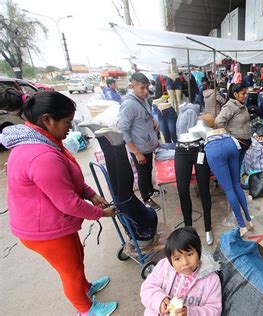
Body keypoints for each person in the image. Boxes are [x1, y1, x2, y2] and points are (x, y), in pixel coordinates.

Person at [0, 91, 118, 315]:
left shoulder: (44, 138)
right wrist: (102, 213)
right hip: (44, 229)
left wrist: (90, 193)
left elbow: (68, 178)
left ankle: (86, 288)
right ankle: (85, 308)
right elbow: (69, 203)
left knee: (76, 256)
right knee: (70, 271)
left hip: (55, 221)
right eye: (67, 122)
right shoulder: (41, 155)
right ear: (47, 120)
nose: (70, 128)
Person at [140, 227, 222, 316]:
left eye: (189, 254)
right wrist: (159, 300)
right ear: (170, 259)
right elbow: (147, 288)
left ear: (199, 251)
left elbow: (214, 310)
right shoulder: (163, 267)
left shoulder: (212, 280)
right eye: (177, 258)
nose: (185, 263)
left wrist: (190, 312)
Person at [117, 72, 160, 208]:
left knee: (148, 170)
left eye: (147, 87)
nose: (146, 91)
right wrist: (136, 152)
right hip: (139, 147)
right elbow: (122, 130)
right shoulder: (129, 105)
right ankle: (146, 199)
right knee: (143, 173)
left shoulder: (143, 100)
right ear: (132, 86)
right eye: (142, 88)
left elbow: (146, 115)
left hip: (147, 144)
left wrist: (153, 121)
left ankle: (151, 190)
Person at [215, 83, 252, 167]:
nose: (246, 96)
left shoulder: (243, 105)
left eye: (246, 93)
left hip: (244, 143)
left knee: (238, 168)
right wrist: (228, 136)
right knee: (234, 169)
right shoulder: (230, 106)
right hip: (236, 145)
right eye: (243, 94)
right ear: (235, 94)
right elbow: (218, 121)